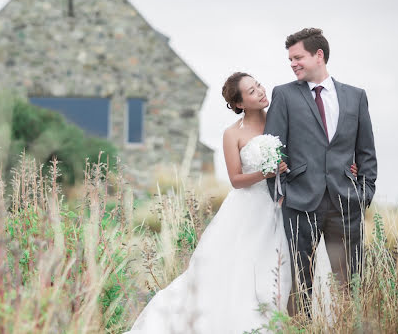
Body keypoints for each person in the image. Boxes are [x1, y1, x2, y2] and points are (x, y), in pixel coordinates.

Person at [126, 73, 353, 333]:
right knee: (240, 270)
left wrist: (346, 167)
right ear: (240, 103)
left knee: (285, 268)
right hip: (248, 209)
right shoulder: (232, 134)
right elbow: (236, 179)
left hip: (286, 206)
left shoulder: (282, 122)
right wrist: (265, 173)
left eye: (258, 85)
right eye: (252, 91)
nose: (260, 91)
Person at [264, 28, 377, 315]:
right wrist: (281, 194)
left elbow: (366, 153)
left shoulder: (355, 97)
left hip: (346, 203)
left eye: (298, 57)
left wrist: (363, 194)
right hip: (300, 202)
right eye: (290, 59)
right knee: (300, 283)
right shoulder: (284, 95)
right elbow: (272, 150)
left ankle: (349, 326)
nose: (293, 63)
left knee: (350, 281)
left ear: (319, 55)